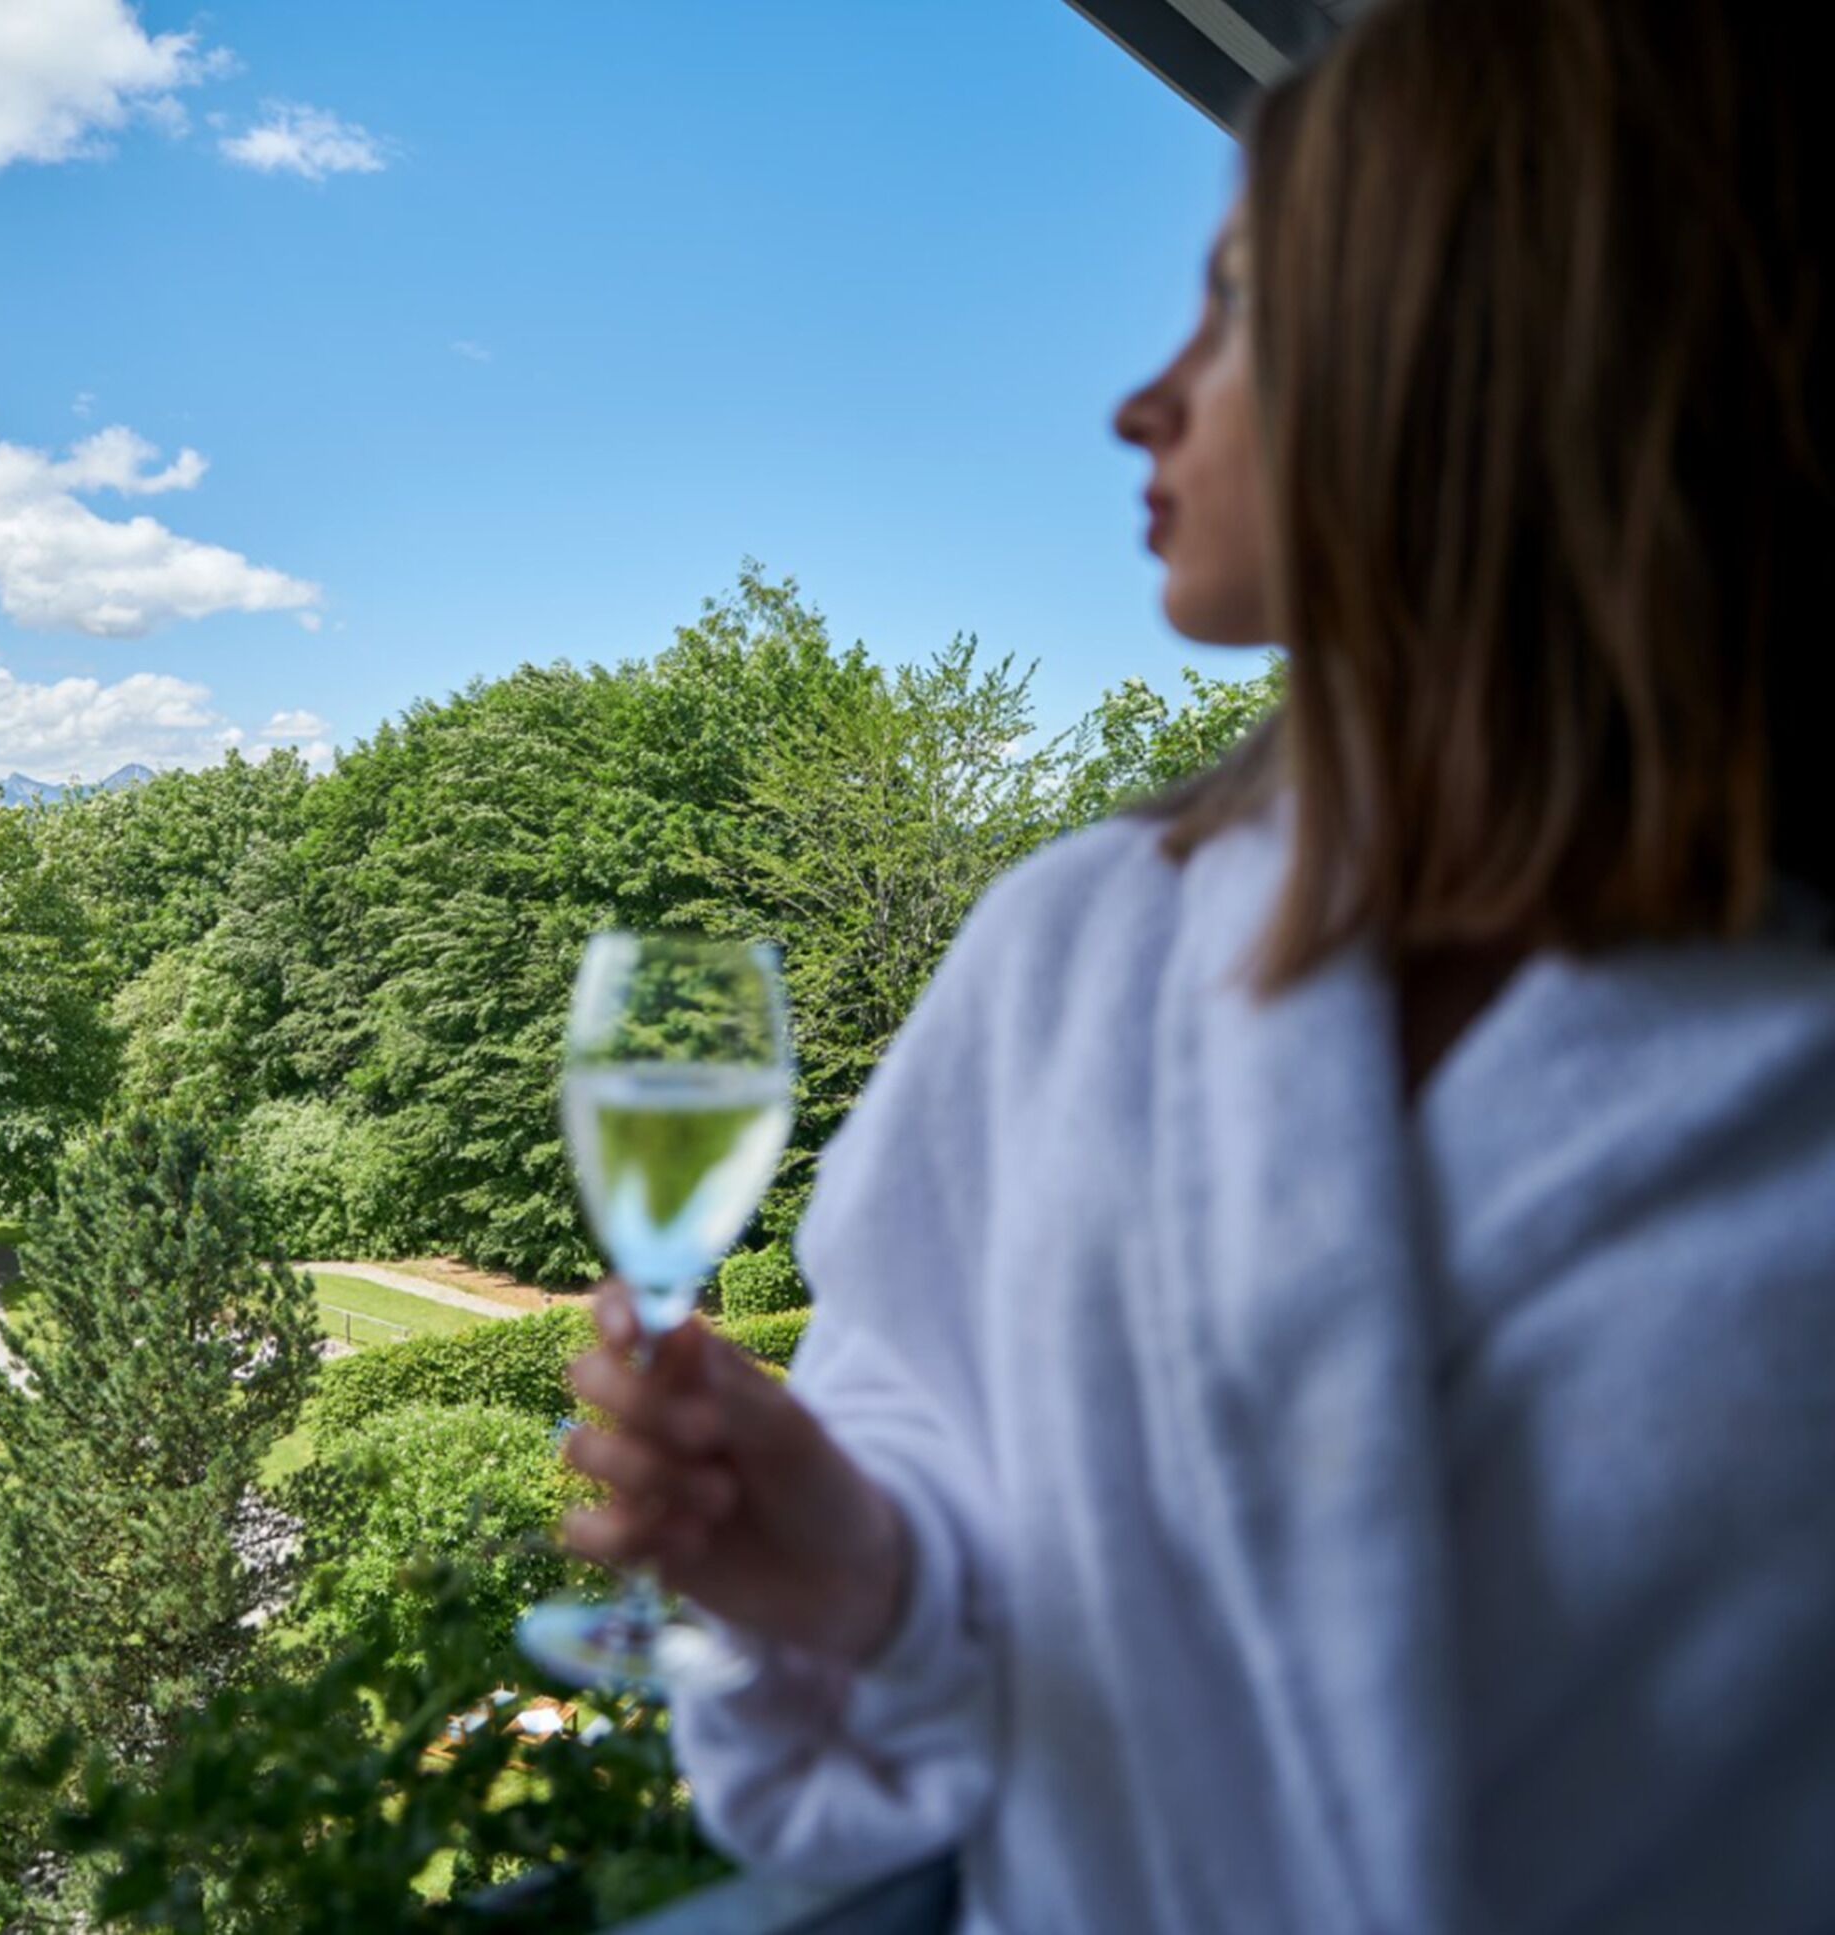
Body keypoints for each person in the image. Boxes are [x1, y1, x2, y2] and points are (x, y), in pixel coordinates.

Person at [557, 0, 1835, 1928]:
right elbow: (939, 1476)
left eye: (1234, 306)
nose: (1139, 403)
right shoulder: (1077, 956)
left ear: (1472, 354)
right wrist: (858, 1567)